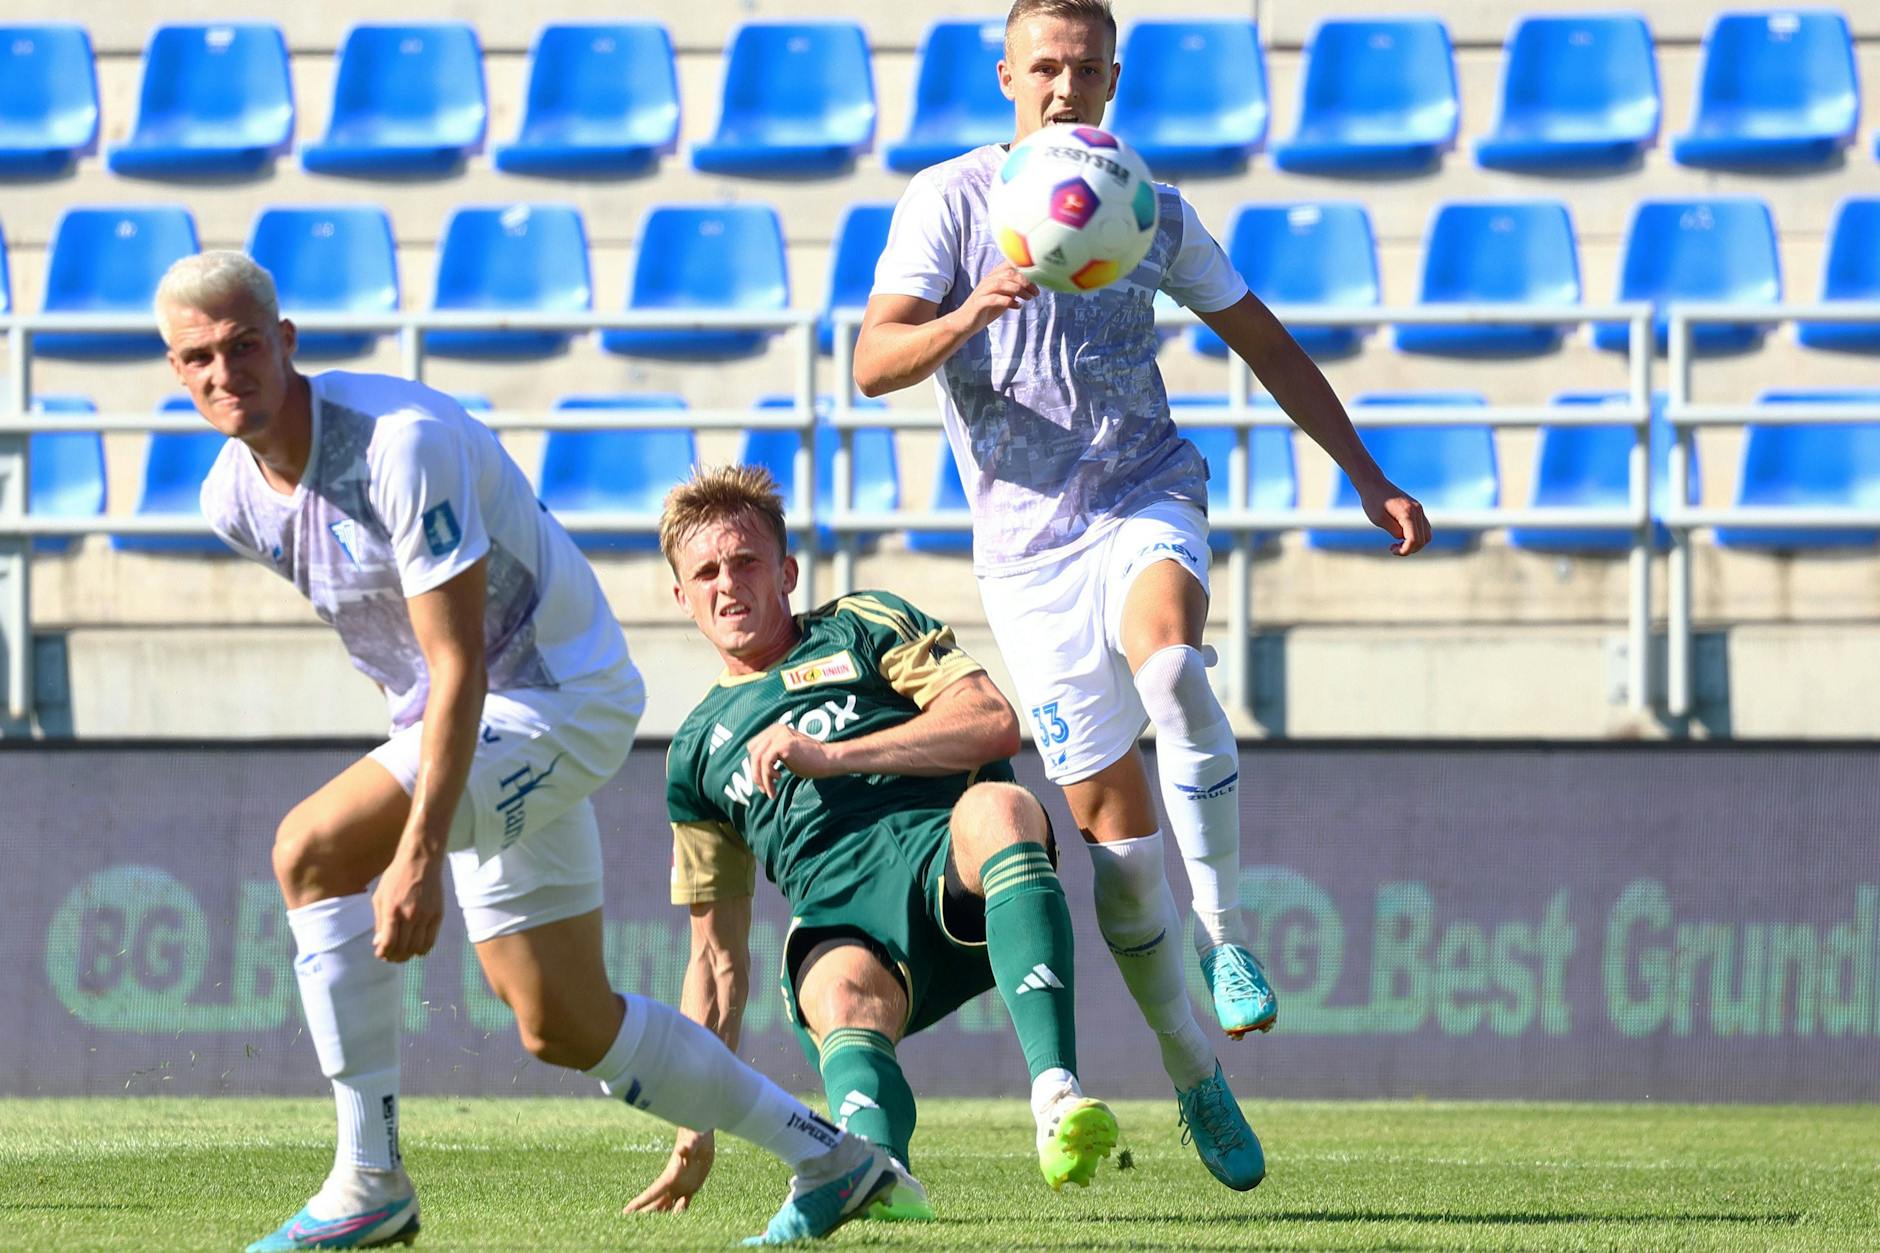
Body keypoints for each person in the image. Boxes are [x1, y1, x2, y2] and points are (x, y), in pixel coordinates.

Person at [163, 250, 897, 1250]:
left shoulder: (399, 441)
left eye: (243, 345)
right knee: (562, 1020)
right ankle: (831, 1151)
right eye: (196, 357)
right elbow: (397, 648)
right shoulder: (229, 497)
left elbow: (457, 657)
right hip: (466, 725)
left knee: (312, 848)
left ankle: (368, 1177)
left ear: (285, 342)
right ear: (174, 370)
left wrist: (417, 845)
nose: (223, 372)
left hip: (558, 702)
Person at [852, 0, 1433, 1191]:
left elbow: (1261, 338)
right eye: (1043, 68)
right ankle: (1192, 1074)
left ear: (1113, 76)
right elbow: (869, 361)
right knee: (1118, 860)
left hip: (1142, 492)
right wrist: (969, 312)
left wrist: (1365, 474)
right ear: (1004, 71)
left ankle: (1227, 939)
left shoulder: (1150, 204)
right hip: (1025, 556)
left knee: (1171, 664)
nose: (1063, 88)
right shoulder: (950, 202)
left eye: (1084, 69)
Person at [635, 463, 1118, 1220]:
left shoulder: (862, 624)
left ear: (787, 570)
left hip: (945, 869)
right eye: (706, 571)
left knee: (1002, 805)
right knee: (829, 988)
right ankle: (880, 1174)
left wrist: (834, 754)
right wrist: (694, 1126)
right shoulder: (694, 752)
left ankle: (1057, 1098)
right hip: (847, 927)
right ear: (681, 596)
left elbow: (991, 721)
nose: (728, 583)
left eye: (746, 561)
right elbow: (717, 961)